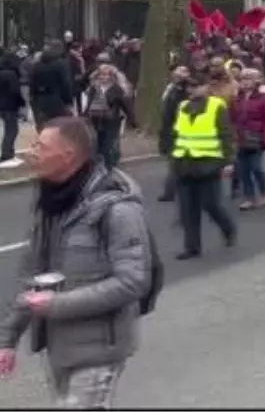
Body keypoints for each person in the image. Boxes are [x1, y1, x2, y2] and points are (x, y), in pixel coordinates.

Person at [0, 117, 152, 408]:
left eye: (40, 146)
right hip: (59, 346)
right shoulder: (51, 203)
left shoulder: (117, 209)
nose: (31, 152)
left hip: (99, 350)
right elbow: (31, 277)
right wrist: (7, 339)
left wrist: (55, 305)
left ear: (68, 155)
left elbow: (133, 282)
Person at [171, 75, 238, 260]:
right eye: (189, 87)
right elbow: (178, 134)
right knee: (188, 209)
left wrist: (228, 162)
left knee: (211, 205)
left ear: (205, 87)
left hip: (208, 163)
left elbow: (226, 135)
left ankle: (228, 228)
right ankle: (192, 247)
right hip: (185, 164)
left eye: (195, 86)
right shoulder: (182, 107)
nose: (191, 90)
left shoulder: (216, 106)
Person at [230, 69, 265, 210]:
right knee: (243, 170)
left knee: (256, 167)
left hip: (256, 138)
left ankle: (264, 192)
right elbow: (232, 117)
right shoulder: (237, 98)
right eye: (242, 80)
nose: (245, 82)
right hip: (241, 138)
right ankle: (249, 197)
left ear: (255, 81)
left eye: (248, 79)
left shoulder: (263, 98)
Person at [81, 65, 137, 169]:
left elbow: (124, 105)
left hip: (111, 119)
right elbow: (89, 103)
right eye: (101, 75)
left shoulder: (116, 89)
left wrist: (132, 119)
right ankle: (100, 164)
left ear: (111, 76)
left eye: (106, 75)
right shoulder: (94, 87)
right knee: (98, 142)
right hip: (96, 119)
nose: (103, 77)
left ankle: (108, 165)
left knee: (109, 142)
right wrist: (84, 115)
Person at [156, 65, 191, 202]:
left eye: (184, 70)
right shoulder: (170, 88)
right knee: (176, 162)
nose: (181, 73)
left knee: (178, 162)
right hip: (168, 128)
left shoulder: (185, 90)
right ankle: (173, 190)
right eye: (179, 70)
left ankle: (172, 191)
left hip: (181, 129)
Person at [0, 49, 25, 167]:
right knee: (12, 130)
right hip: (10, 106)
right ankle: (7, 153)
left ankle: (8, 151)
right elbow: (15, 91)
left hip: (2, 105)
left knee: (9, 129)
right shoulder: (12, 74)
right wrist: (21, 102)